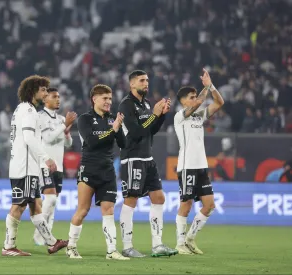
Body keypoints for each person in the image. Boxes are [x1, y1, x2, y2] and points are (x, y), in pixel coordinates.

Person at [3, 75, 67, 256]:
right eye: (43, 90)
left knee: (35, 205)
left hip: (27, 166)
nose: (46, 93)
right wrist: (46, 157)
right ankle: (8, 246)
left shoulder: (22, 109)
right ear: (33, 91)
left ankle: (52, 242)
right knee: (19, 206)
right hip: (24, 167)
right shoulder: (29, 111)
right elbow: (30, 138)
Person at [118, 70, 177, 258]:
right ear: (132, 84)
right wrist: (154, 115)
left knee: (159, 198)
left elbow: (150, 131)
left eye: (147, 80)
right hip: (132, 157)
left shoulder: (146, 104)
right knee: (131, 200)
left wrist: (161, 116)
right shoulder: (126, 105)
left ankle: (157, 245)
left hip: (147, 158)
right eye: (142, 80)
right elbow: (135, 133)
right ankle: (127, 247)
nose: (146, 83)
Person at [66, 84, 128, 260]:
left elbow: (123, 144)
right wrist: (113, 129)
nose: (109, 101)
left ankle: (111, 250)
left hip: (108, 171)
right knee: (83, 210)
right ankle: (71, 246)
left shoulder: (112, 119)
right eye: (105, 98)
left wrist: (119, 127)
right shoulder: (85, 119)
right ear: (95, 99)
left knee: (108, 209)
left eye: (110, 98)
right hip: (89, 169)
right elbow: (92, 142)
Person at [174, 69, 224, 254]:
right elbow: (199, 103)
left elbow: (220, 102)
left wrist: (211, 86)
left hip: (201, 166)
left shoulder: (199, 116)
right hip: (187, 166)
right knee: (186, 204)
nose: (195, 99)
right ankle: (180, 244)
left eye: (196, 96)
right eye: (191, 97)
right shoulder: (180, 116)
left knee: (209, 205)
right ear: (183, 101)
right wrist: (205, 88)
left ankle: (190, 239)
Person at [33, 87, 76, 246]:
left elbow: (68, 144)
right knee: (50, 198)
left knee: (53, 201)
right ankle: (40, 233)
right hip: (45, 163)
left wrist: (66, 132)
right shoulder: (40, 117)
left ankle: (47, 235)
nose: (58, 99)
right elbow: (49, 138)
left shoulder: (60, 119)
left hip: (58, 166)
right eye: (54, 97)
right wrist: (65, 125)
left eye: (59, 97)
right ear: (45, 99)